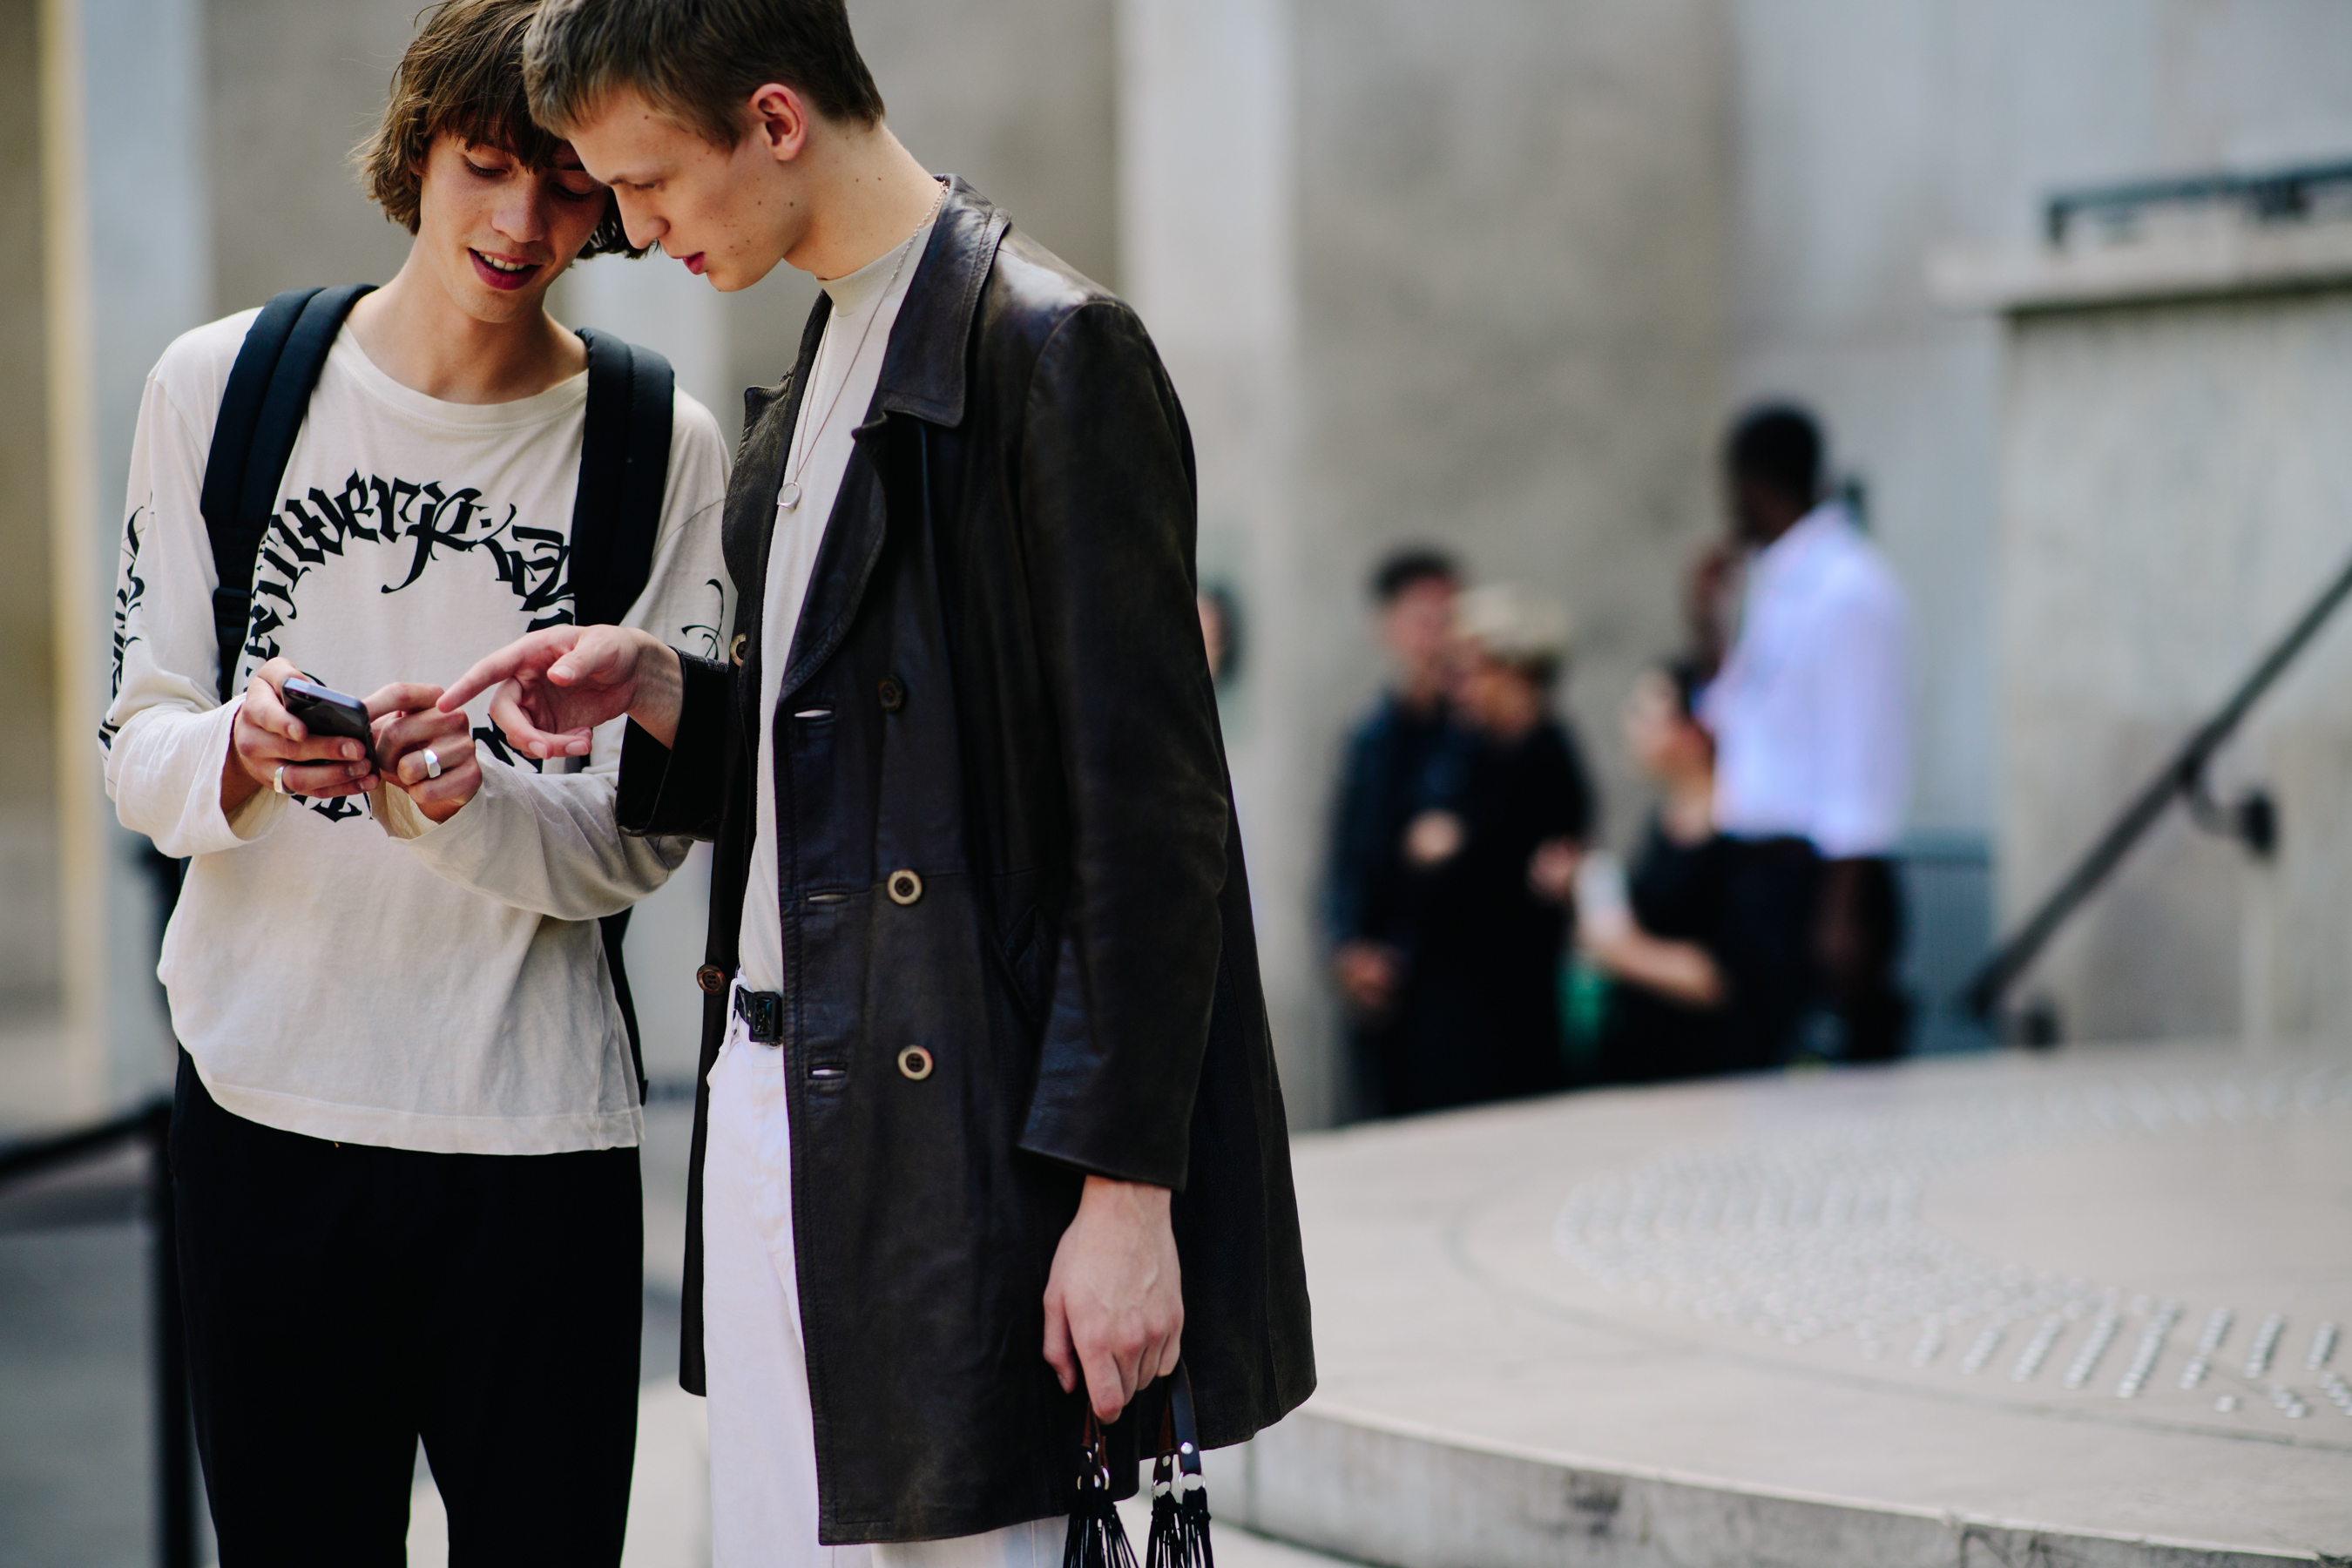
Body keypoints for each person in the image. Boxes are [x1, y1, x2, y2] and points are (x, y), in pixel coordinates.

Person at [435, 1, 1315, 1558]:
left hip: (960, 1159)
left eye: (645, 182)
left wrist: (1126, 1198)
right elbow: (859, 780)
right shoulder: (834, 343)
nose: (626, 230)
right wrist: (662, 694)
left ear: (776, 122)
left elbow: (1154, 823)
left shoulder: (1049, 353)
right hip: (779, 1114)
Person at [98, 1, 732, 1558]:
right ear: (419, 150)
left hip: (534, 1142)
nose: (524, 224)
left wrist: (469, 805)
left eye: (570, 184)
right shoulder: (222, 387)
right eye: (486, 167)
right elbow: (138, 739)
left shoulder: (658, 446)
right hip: (264, 1114)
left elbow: (645, 844)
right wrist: (243, 752)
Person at [1699, 403, 1911, 1065]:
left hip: (1822, 880)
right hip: (1763, 874)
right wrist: (1706, 623)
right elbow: (1740, 721)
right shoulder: (1777, 585)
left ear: (1752, 482)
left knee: (1827, 1097)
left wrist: (1839, 911)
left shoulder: (1848, 588)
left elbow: (1861, 753)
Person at [1382, 584, 1594, 1112]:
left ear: (1515, 670)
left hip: (1510, 1012)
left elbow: (1490, 882)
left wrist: (1452, 850)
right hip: (1453, 1003)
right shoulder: (1470, 753)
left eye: (1470, 669)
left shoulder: (1546, 759)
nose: (1458, 687)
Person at [1322, 547, 1459, 1117]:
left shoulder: (1474, 736)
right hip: (1380, 998)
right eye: (1424, 620)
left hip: (1450, 992)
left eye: (1449, 619)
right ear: (1389, 627)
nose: (1438, 637)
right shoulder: (1370, 738)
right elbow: (1345, 859)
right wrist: (1348, 949)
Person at [1580, 661, 1734, 1083]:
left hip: (1708, 1073)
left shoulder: (1739, 835)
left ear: (1694, 732)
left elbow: (1726, 976)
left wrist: (1620, 949)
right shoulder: (1662, 820)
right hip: (1645, 1055)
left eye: (1646, 714)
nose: (1630, 725)